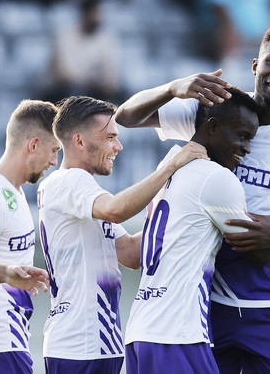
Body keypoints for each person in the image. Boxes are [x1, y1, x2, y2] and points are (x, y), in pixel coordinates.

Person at [115, 25, 270, 373]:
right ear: (255, 65)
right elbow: (126, 117)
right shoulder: (218, 112)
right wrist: (172, 88)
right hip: (210, 304)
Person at [37, 96, 207, 374]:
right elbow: (116, 210)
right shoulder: (71, 181)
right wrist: (169, 167)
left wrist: (179, 210)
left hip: (95, 344)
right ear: (79, 141)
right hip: (79, 346)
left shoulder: (80, 192)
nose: (119, 146)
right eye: (110, 137)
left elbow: (129, 252)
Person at [124, 87, 259, 373]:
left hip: (141, 331)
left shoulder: (171, 164)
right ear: (212, 126)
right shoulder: (216, 178)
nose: (247, 148)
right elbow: (257, 247)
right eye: (243, 136)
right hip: (177, 336)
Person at [0, 99, 60, 374]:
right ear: (34, 144)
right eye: (53, 150)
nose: (54, 161)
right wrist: (6, 271)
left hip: (13, 341)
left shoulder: (16, 193)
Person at [41, 0, 124, 104]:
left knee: (122, 97)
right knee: (76, 94)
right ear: (84, 13)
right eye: (94, 13)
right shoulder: (65, 36)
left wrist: (105, 83)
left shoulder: (106, 38)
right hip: (67, 91)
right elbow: (64, 74)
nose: (97, 18)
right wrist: (92, 81)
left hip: (95, 90)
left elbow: (111, 76)